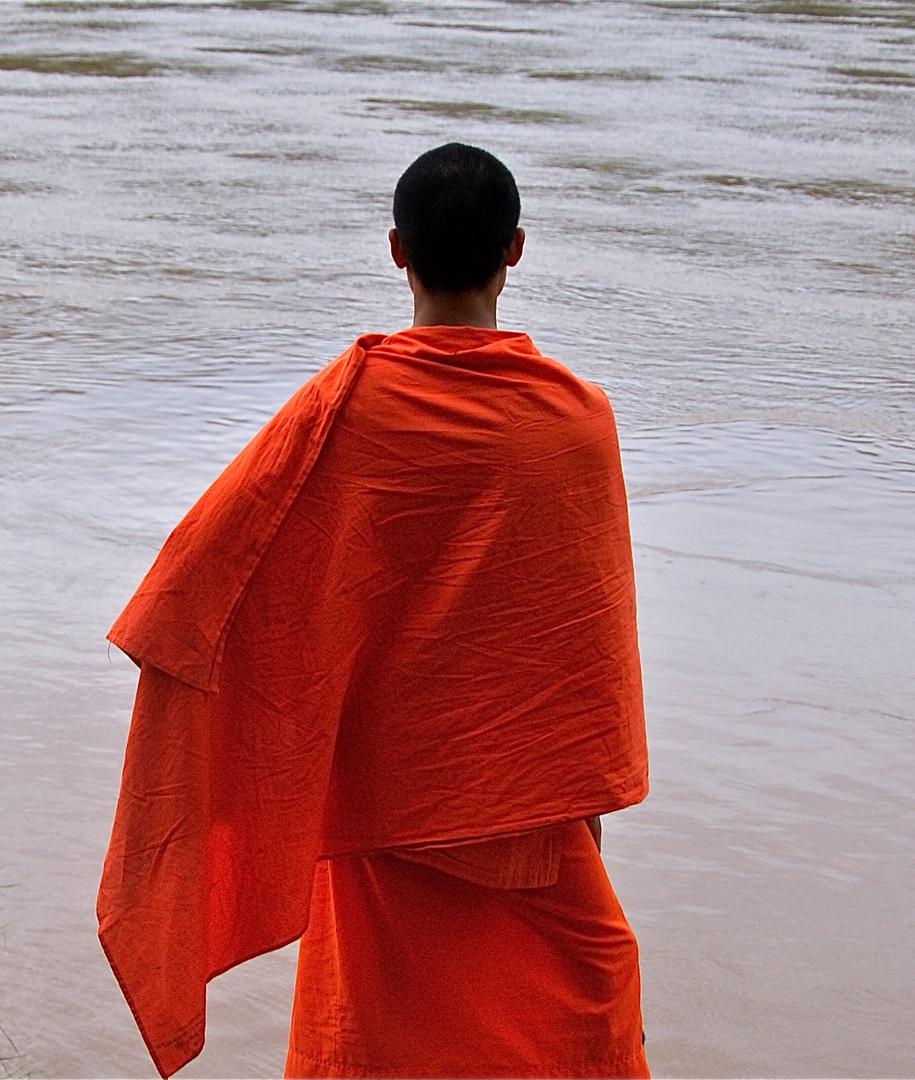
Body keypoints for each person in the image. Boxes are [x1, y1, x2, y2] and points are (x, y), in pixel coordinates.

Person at [97, 143, 650, 1079]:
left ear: (396, 250)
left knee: (382, 1036)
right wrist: (576, 803)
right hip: (527, 813)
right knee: (573, 1029)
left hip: (383, 794)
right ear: (515, 250)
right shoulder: (574, 419)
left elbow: (199, 590)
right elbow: (579, 649)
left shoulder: (343, 413)